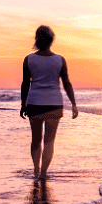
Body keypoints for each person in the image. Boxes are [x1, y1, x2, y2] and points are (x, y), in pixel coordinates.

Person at [20, 25, 78, 179]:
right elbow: (66, 83)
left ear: (36, 39)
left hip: (34, 102)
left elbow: (25, 84)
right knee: (49, 142)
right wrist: (73, 104)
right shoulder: (60, 59)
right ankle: (44, 173)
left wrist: (22, 104)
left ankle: (36, 170)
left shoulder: (29, 59)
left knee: (36, 140)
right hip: (54, 103)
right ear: (52, 40)